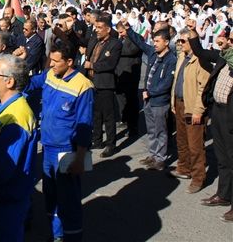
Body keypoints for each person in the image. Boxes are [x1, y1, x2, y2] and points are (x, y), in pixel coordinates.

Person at [26, 42, 94, 242]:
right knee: (51, 195)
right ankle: (57, 235)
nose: (51, 64)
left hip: (66, 151)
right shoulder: (50, 75)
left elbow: (84, 124)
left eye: (56, 61)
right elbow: (30, 84)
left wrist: (80, 158)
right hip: (47, 147)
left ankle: (71, 237)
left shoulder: (83, 86)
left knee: (68, 200)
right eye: (51, 60)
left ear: (69, 62)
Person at [0, 55, 37, 242]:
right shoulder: (7, 107)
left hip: (4, 200)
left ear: (9, 81)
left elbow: (2, 168)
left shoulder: (17, 115)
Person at [188, 24, 233, 222]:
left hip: (231, 115)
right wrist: (193, 34)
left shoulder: (229, 55)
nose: (226, 40)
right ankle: (224, 195)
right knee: (223, 158)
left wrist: (227, 47)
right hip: (219, 112)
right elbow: (201, 52)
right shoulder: (224, 58)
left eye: (230, 39)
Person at [126, 24, 177, 171]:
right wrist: (128, 29)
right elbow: (140, 43)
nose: (154, 44)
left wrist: (150, 92)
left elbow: (166, 83)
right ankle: (153, 154)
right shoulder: (153, 53)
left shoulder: (171, 60)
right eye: (154, 41)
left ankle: (161, 158)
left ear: (166, 42)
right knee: (151, 129)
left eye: (158, 41)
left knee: (161, 130)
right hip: (148, 100)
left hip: (159, 102)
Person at [169, 28, 209, 194]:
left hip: (192, 106)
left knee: (195, 145)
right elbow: (177, 80)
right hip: (179, 103)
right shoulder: (182, 58)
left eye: (183, 41)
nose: (179, 43)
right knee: (182, 140)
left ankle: (198, 178)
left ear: (192, 42)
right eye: (179, 40)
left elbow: (203, 88)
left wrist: (198, 110)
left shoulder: (200, 60)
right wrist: (173, 102)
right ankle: (184, 168)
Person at [85, 16, 122, 157]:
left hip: (105, 83)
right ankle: (97, 139)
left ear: (108, 29)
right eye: (96, 27)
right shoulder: (95, 41)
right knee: (96, 114)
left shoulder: (115, 44)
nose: (97, 30)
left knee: (108, 115)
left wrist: (92, 65)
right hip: (92, 82)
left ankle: (111, 144)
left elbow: (110, 64)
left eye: (100, 28)